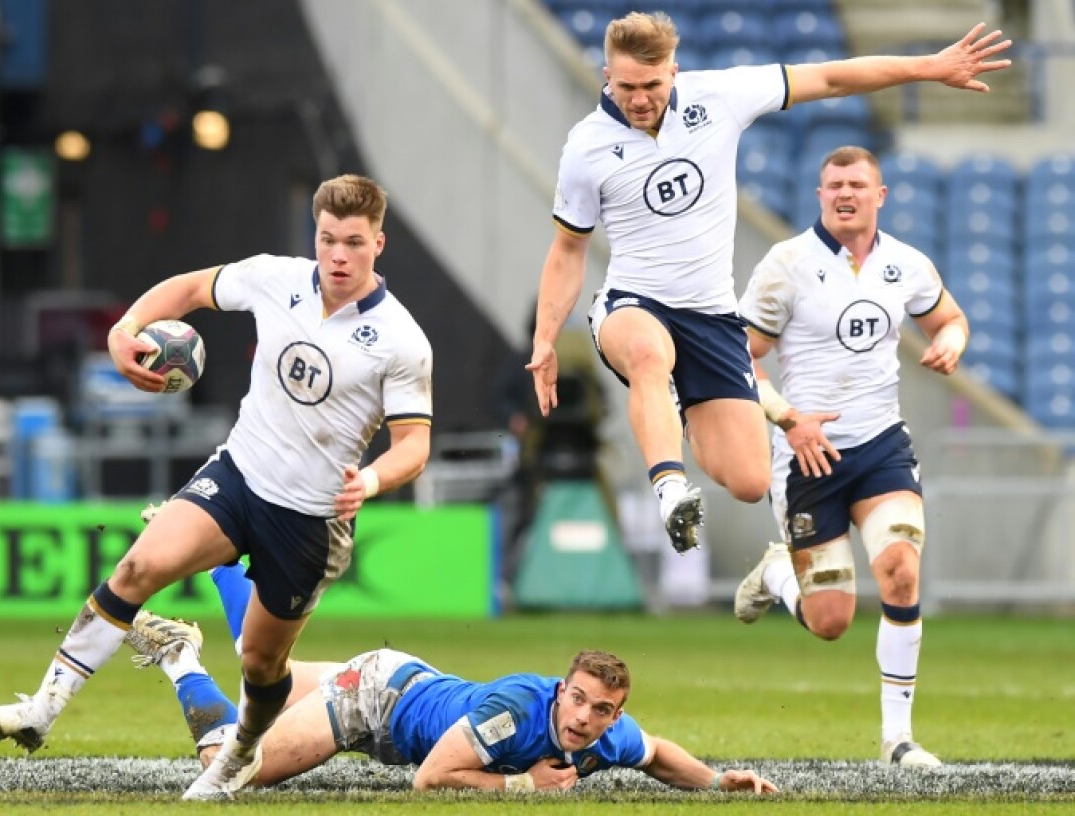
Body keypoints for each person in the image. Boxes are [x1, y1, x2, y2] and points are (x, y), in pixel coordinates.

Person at [0, 174, 435, 800]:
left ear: (378, 243)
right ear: (315, 234)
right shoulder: (277, 277)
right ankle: (43, 708)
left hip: (310, 519)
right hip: (239, 474)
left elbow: (414, 444)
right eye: (327, 239)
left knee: (261, 665)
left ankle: (239, 754)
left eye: (353, 243)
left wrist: (374, 478)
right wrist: (126, 327)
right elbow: (191, 288)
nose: (337, 255)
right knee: (138, 566)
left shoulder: (402, 340)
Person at [526, 12, 1011, 554]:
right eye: (626, 87)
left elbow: (830, 77)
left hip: (711, 318)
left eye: (652, 85)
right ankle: (668, 488)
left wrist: (928, 67)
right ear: (606, 77)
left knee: (750, 481)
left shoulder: (720, 96)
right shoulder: (586, 147)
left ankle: (682, 409)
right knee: (646, 353)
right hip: (633, 304)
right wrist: (545, 340)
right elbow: (569, 251)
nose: (640, 99)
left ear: (674, 71)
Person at [122, 561, 778, 798]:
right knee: (230, 766)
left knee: (261, 672)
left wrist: (721, 780)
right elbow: (431, 777)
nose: (583, 716)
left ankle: (227, 565)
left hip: (410, 677)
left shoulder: (609, 736)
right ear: (560, 691)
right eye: (576, 699)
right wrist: (523, 785)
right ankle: (180, 658)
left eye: (600, 709)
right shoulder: (519, 713)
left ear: (613, 715)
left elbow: (659, 754)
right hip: (374, 701)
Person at [733, 146, 970, 768]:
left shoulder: (907, 264)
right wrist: (790, 418)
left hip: (882, 444)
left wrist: (950, 341)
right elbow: (739, 359)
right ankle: (776, 573)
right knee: (831, 620)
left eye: (857, 184)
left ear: (880, 195)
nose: (846, 193)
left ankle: (898, 739)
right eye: (834, 184)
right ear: (819, 196)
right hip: (808, 455)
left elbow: (950, 318)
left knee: (900, 570)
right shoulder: (786, 266)